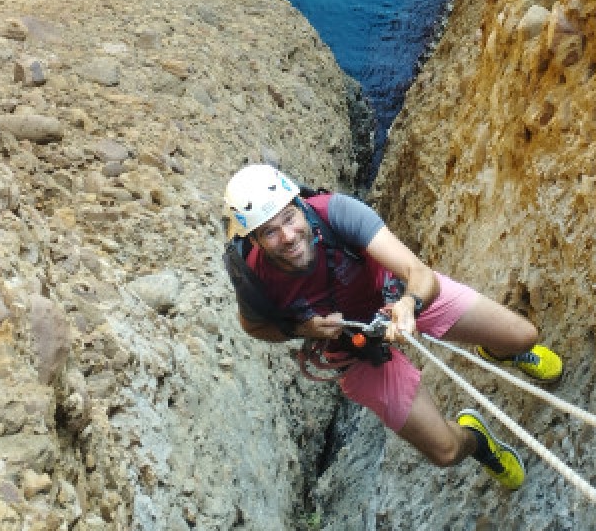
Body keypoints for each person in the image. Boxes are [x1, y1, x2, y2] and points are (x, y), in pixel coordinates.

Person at [222, 163, 563, 490]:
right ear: (255, 240)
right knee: (444, 452)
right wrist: (305, 330)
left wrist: (408, 306)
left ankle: (500, 351)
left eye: (289, 217)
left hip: (398, 297)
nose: (288, 236)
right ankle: (478, 440)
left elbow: (420, 274)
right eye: (270, 231)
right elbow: (255, 327)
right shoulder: (254, 278)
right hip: (353, 349)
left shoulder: (336, 213)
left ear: (299, 205)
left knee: (523, 336)